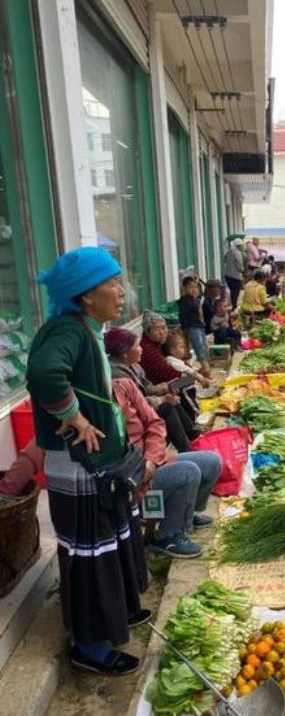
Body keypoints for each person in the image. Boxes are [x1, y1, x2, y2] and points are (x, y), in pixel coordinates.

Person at [26, 247, 148, 676]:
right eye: (112, 284)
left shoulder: (88, 328)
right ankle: (90, 648)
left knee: (113, 538)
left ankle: (119, 614)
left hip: (102, 462)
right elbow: (43, 374)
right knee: (92, 553)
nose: (121, 292)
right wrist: (72, 416)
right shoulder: (68, 331)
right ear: (84, 295)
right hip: (79, 467)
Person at [112, 376, 220, 558]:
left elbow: (155, 422)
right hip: (134, 480)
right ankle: (167, 536)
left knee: (212, 461)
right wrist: (142, 468)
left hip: (153, 463)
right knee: (188, 473)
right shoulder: (93, 406)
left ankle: (187, 513)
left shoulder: (124, 385)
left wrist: (151, 459)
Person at [105, 327, 200, 453]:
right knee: (166, 406)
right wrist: (161, 399)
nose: (141, 349)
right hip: (130, 419)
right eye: (137, 346)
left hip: (144, 405)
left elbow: (147, 388)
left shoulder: (134, 365)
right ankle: (187, 449)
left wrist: (165, 387)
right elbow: (133, 405)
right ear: (125, 354)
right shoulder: (117, 376)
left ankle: (193, 435)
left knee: (172, 395)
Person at [178, 276, 210, 378]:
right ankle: (206, 369)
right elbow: (183, 316)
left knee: (204, 346)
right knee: (198, 347)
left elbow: (200, 313)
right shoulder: (185, 301)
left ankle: (204, 367)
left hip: (199, 326)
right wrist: (184, 329)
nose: (194, 290)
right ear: (184, 288)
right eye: (190, 287)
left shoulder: (194, 299)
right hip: (192, 327)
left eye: (195, 287)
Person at [224, 239, 245, 308]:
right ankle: (234, 307)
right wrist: (242, 270)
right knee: (235, 293)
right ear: (238, 246)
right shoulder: (237, 253)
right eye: (242, 245)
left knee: (232, 292)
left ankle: (232, 306)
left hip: (228, 275)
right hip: (235, 276)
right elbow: (239, 266)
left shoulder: (229, 252)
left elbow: (224, 260)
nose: (243, 247)